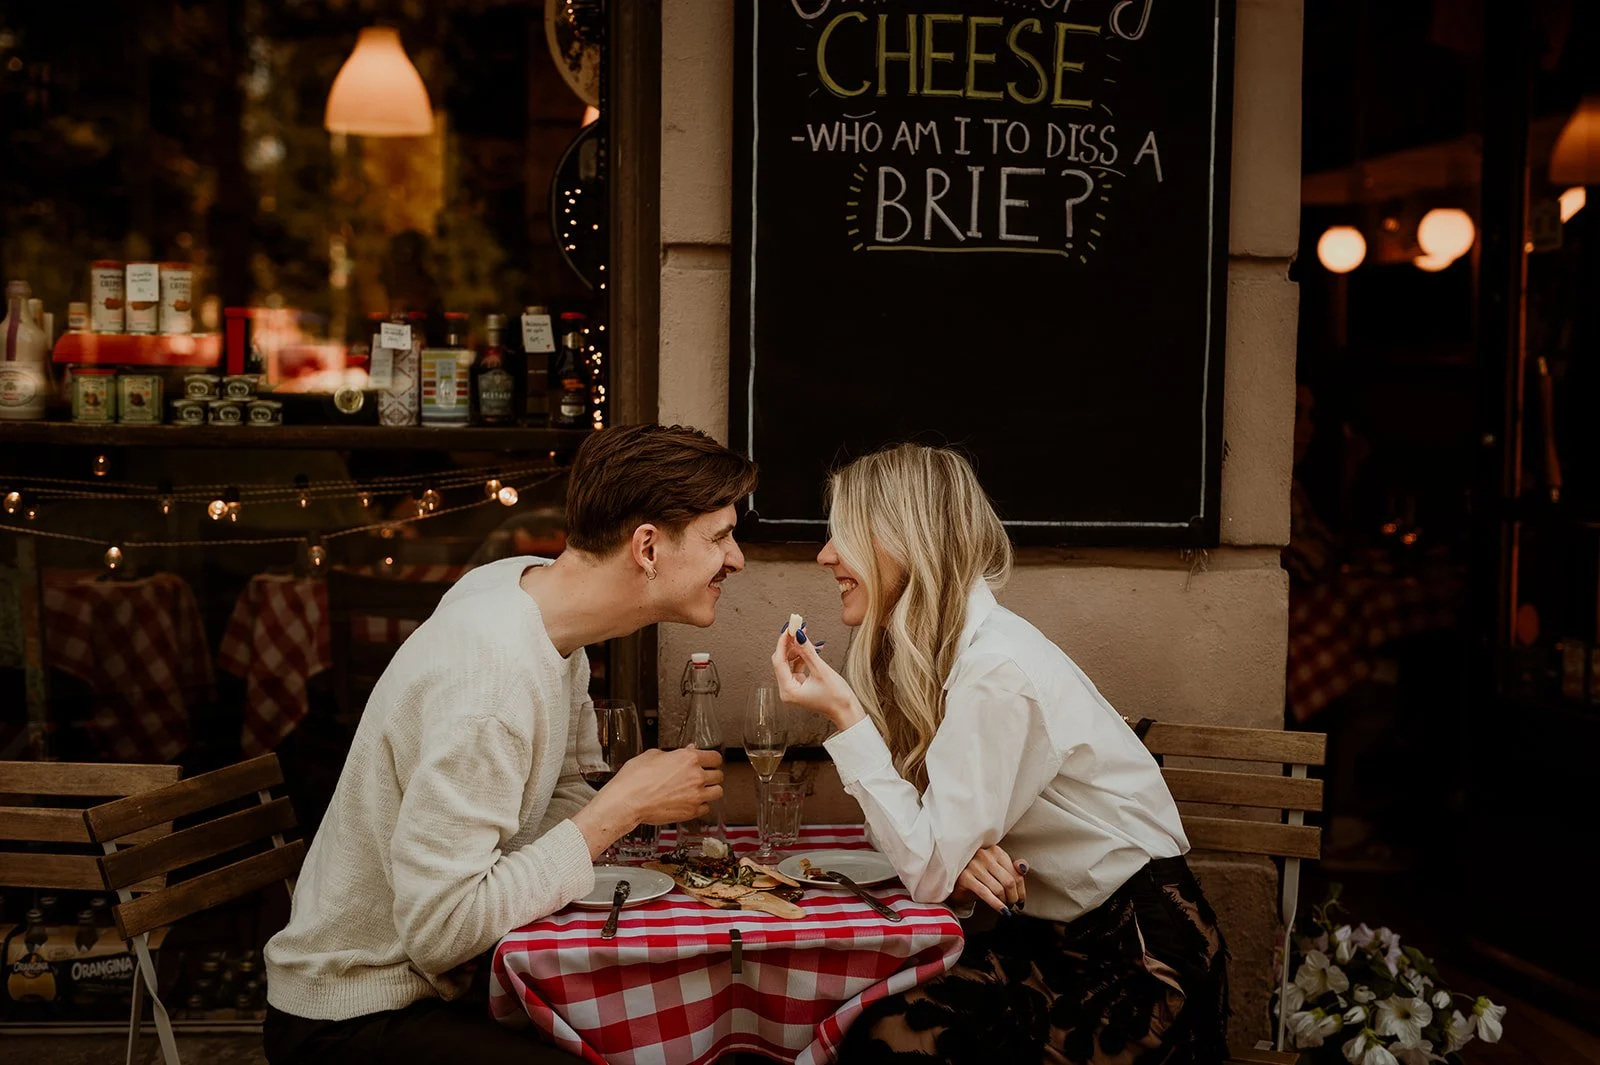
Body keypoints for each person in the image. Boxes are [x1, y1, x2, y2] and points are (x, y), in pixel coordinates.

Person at [264, 424, 757, 1064]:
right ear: (647, 547)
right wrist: (618, 811)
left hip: (438, 989)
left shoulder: (532, 599)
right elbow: (440, 931)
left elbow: (551, 798)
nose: (737, 558)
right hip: (358, 1016)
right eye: (719, 536)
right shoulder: (491, 677)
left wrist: (614, 819)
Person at [771, 444, 1228, 1065]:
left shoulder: (994, 668)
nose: (826, 555)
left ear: (907, 540)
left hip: (1138, 963)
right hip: (1058, 939)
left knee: (887, 1036)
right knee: (859, 1010)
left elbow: (925, 870)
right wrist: (956, 858)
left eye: (843, 534)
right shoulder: (961, 653)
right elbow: (932, 856)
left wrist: (846, 717)